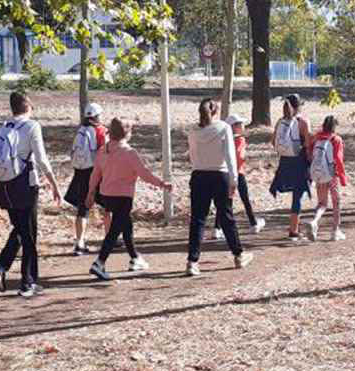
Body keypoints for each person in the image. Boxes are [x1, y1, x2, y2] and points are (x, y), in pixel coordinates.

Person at [0, 91, 63, 298]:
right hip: (25, 183)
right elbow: (41, 158)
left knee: (21, 229)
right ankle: (28, 282)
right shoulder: (32, 126)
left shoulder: (1, 127)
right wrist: (54, 184)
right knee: (29, 234)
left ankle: (1, 267)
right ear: (28, 107)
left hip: (4, 184)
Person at [85, 118, 172, 280]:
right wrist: (162, 184)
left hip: (106, 195)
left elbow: (95, 174)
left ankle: (135, 258)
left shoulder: (103, 150)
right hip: (123, 197)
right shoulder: (129, 153)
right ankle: (99, 262)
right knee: (114, 231)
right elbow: (144, 174)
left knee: (126, 226)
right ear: (127, 133)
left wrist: (90, 193)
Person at [185, 99, 253, 275]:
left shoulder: (192, 130)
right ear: (216, 112)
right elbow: (230, 156)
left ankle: (192, 261)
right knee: (226, 216)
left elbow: (191, 154)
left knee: (198, 219)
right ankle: (238, 254)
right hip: (220, 175)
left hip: (199, 174)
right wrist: (234, 180)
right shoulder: (223, 128)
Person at [62, 103, 107, 255]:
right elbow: (105, 152)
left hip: (80, 172)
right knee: (109, 206)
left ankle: (79, 242)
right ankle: (110, 239)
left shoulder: (80, 130)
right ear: (97, 116)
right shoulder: (100, 130)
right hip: (96, 173)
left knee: (83, 209)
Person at [268, 94, 314, 239]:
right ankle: (293, 230)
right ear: (299, 106)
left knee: (295, 193)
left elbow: (272, 141)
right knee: (298, 195)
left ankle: (294, 227)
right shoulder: (303, 122)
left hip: (285, 161)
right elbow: (307, 145)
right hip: (299, 161)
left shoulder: (280, 121)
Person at [308, 115, 351, 236]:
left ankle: (314, 221)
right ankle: (335, 231)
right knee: (336, 202)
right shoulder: (336, 140)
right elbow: (338, 159)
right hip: (332, 175)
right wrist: (342, 177)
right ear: (334, 126)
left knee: (322, 203)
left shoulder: (316, 138)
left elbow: (310, 155)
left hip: (319, 174)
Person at [227, 115, 264, 233]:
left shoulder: (226, 139)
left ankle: (218, 228)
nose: (243, 126)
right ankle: (253, 223)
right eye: (240, 124)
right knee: (244, 199)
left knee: (227, 201)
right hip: (238, 173)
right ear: (234, 126)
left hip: (227, 173)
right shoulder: (240, 140)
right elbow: (239, 156)